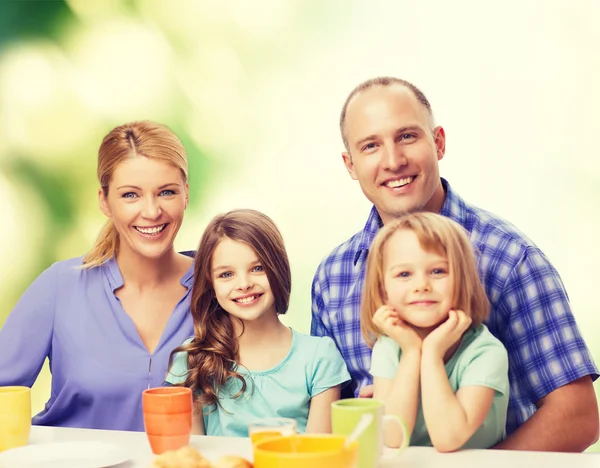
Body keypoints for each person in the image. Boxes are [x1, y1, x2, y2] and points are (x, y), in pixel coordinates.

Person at [311, 77, 599, 451]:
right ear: (350, 164)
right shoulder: (332, 277)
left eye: (407, 137)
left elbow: (577, 417)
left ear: (439, 142)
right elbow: (324, 414)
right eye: (371, 146)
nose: (393, 161)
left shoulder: (509, 258)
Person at [0, 121, 195, 431]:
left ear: (185, 193)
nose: (151, 211)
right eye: (130, 195)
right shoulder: (60, 286)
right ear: (104, 201)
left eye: (166, 192)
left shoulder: (218, 288)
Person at [166, 209, 350, 437]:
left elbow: (318, 454)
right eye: (226, 274)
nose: (243, 284)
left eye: (257, 268)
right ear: (211, 287)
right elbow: (190, 457)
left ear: (278, 270)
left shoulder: (319, 357)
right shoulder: (192, 360)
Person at [362, 212, 509, 451]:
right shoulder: (390, 347)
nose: (422, 285)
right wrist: (411, 352)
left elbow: (448, 439)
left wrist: (430, 353)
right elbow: (392, 437)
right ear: (383, 289)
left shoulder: (485, 352)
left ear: (463, 280)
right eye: (404, 274)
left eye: (438, 271)